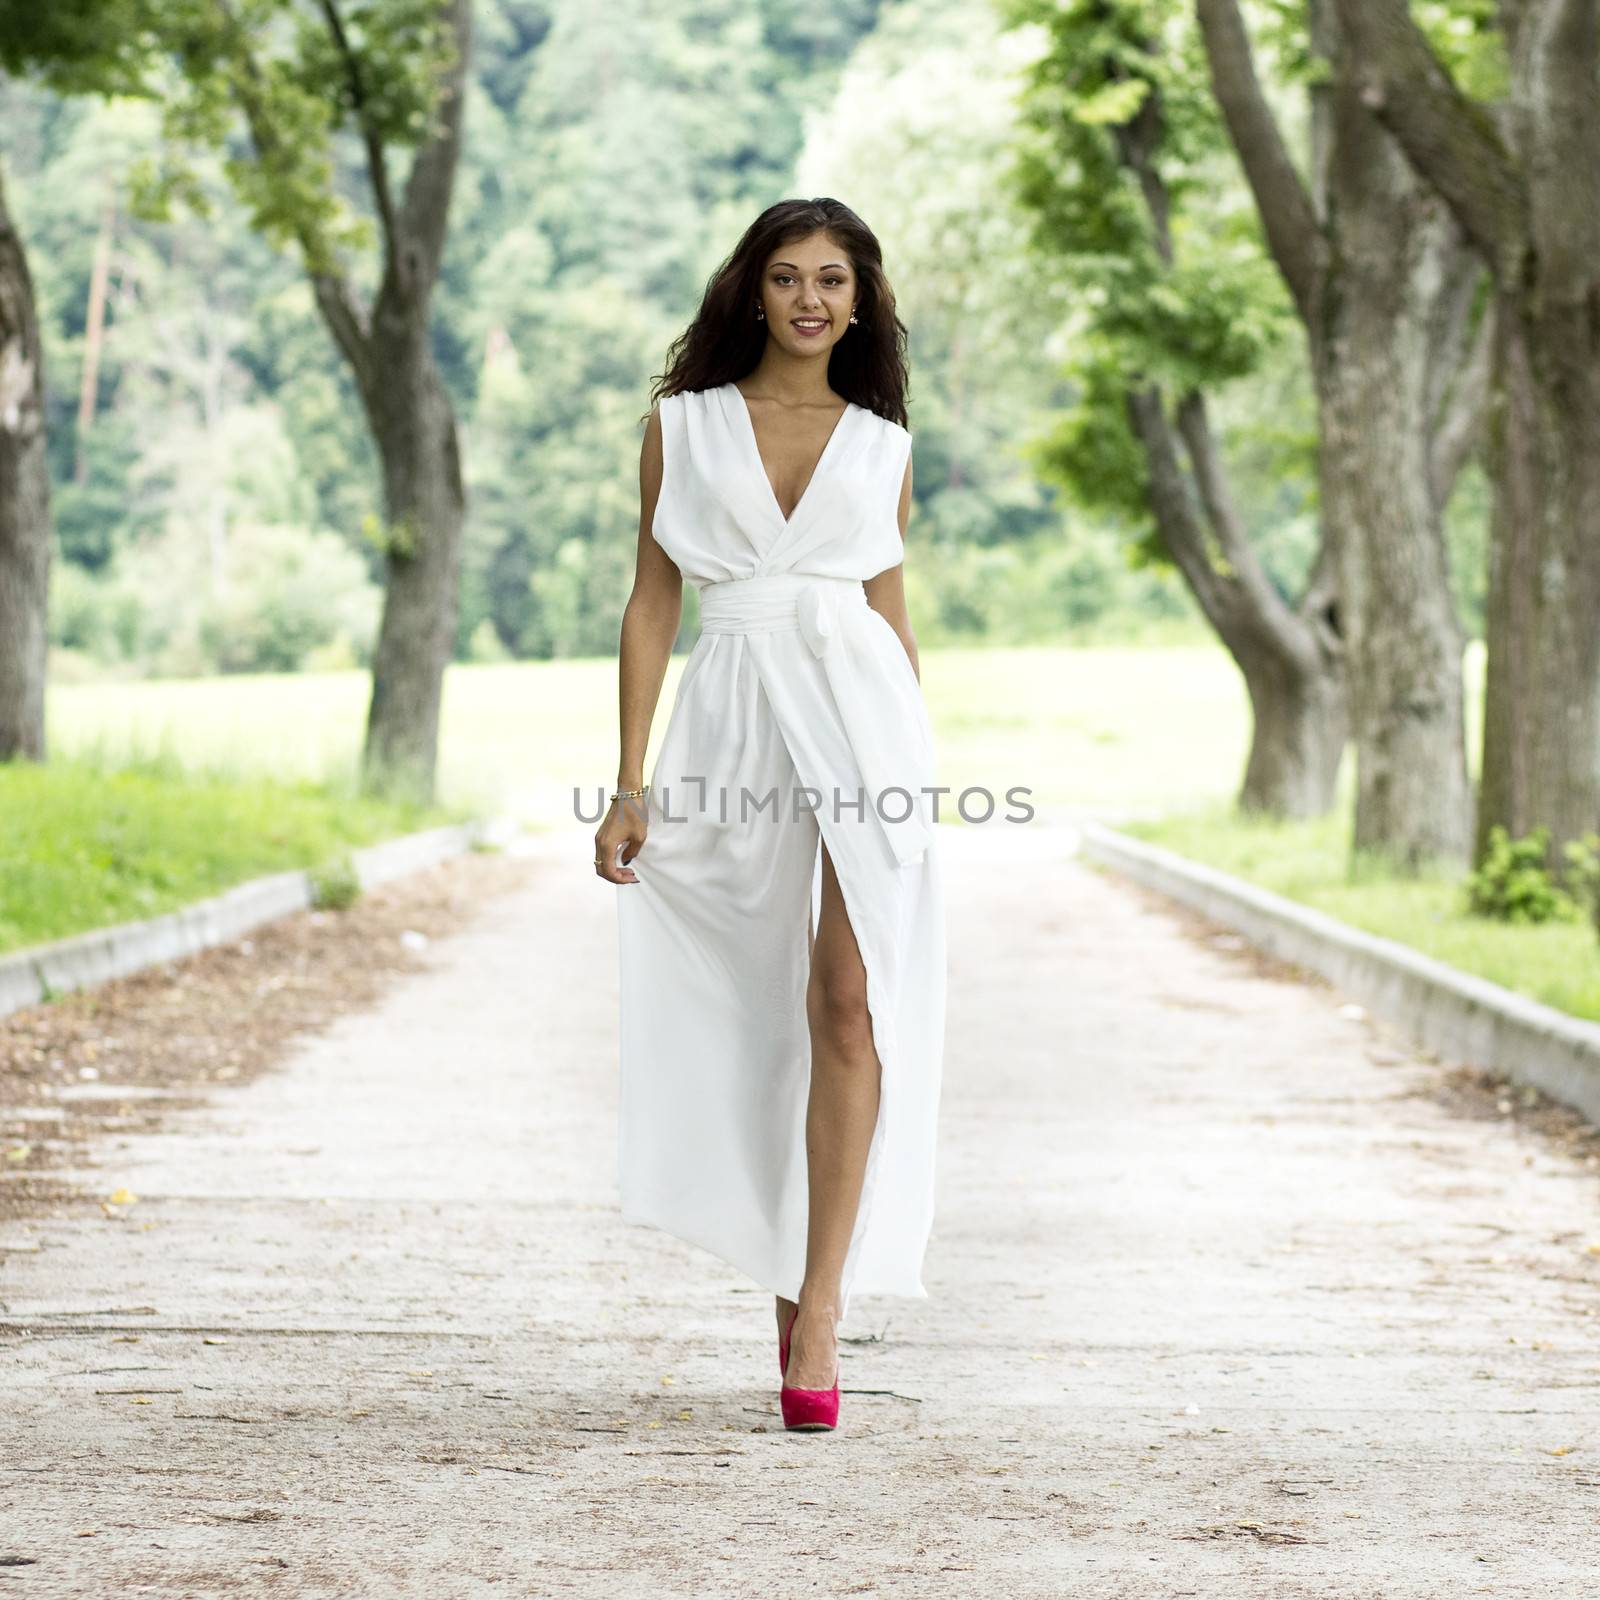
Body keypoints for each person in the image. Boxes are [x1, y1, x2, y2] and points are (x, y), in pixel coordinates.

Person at [595, 197, 946, 1434]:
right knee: (751, 1005)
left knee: (848, 1000)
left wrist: (917, 775)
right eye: (789, 276)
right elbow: (652, 604)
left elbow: (887, 614)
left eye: (834, 279)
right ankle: (779, 1257)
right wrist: (628, 783)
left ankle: (824, 1305)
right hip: (733, 709)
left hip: (862, 717)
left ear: (861, 301)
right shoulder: (682, 429)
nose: (811, 298)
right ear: (753, 292)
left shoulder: (881, 442)